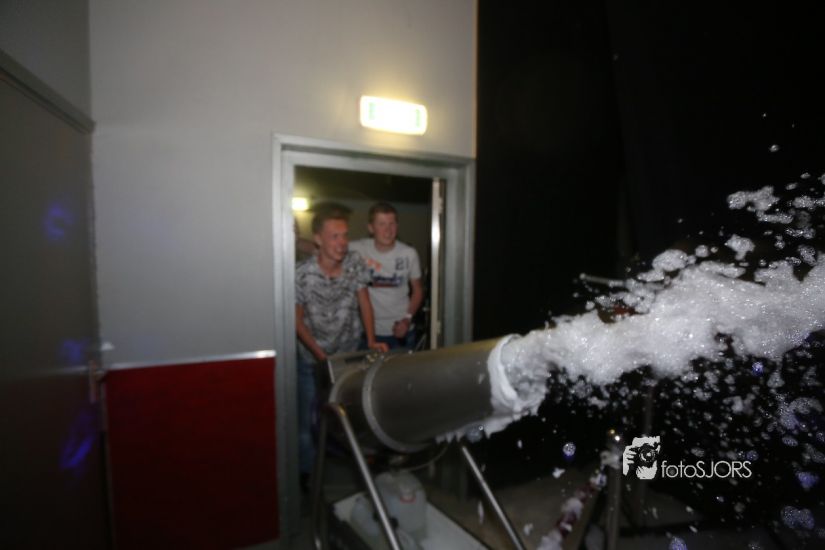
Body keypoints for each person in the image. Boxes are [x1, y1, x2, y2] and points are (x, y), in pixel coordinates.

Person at [294, 204, 388, 489]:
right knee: (309, 421)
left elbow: (364, 302)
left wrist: (370, 340)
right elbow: (296, 320)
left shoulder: (355, 263)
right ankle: (308, 478)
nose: (342, 242)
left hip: (349, 354)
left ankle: (359, 470)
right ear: (318, 239)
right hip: (312, 359)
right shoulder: (302, 274)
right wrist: (320, 355)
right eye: (334, 236)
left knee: (353, 414)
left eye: (345, 235)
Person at [349, 202, 424, 350]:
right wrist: (299, 240)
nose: (388, 230)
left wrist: (407, 319)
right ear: (371, 228)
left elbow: (418, 290)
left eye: (392, 224)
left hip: (401, 331)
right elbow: (324, 248)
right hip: (369, 332)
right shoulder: (358, 248)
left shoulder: (409, 253)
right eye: (382, 224)